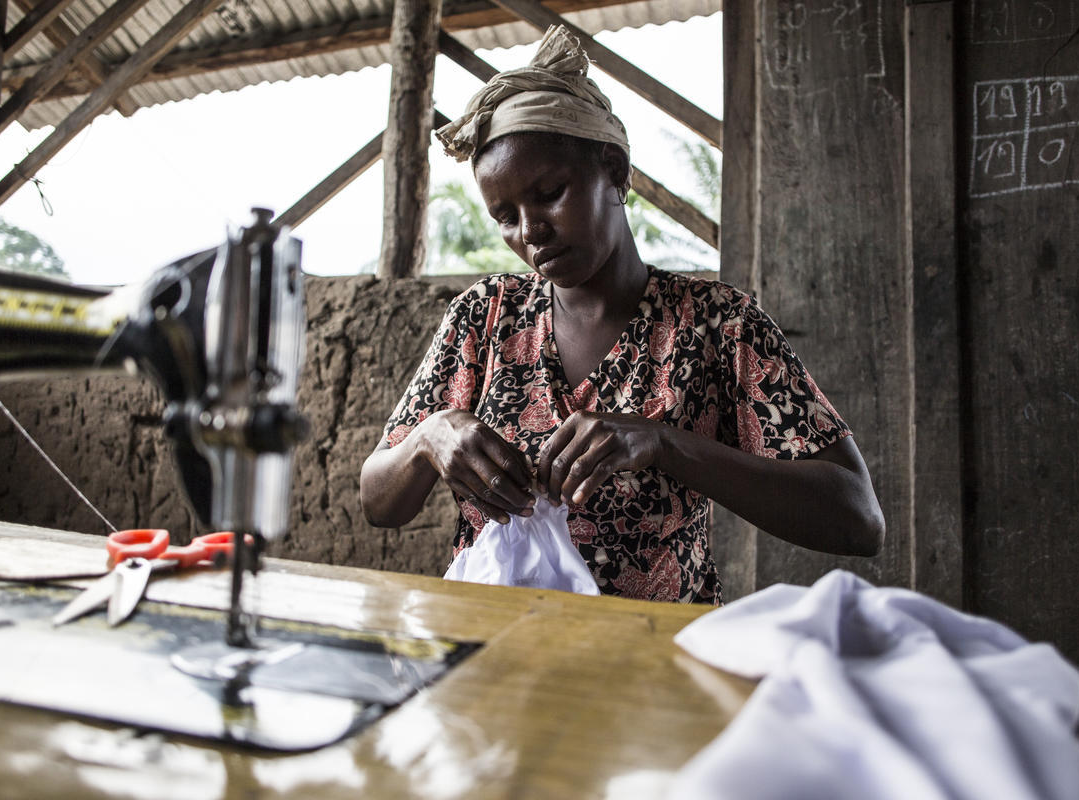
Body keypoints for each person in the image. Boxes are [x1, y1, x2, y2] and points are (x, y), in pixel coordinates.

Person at [360, 26, 884, 603]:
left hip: (656, 664)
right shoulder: (485, 318)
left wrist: (664, 444)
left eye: (551, 192)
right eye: (505, 215)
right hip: (495, 657)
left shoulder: (716, 324)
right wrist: (430, 438)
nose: (530, 231)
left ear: (613, 169)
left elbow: (856, 519)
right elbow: (379, 503)